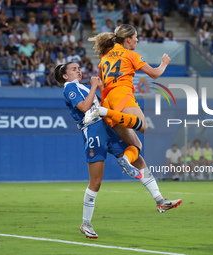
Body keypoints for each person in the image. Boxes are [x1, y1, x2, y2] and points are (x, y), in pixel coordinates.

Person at [53, 63, 182, 238]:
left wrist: (99, 88)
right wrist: (93, 87)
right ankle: (86, 224)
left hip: (105, 126)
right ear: (65, 76)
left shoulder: (81, 86)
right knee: (96, 182)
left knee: (138, 159)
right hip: (93, 131)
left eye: (78, 67)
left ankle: (160, 200)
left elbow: (95, 105)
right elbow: (84, 108)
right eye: (74, 69)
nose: (78, 70)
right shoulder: (69, 88)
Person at [87, 24, 171, 176]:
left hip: (108, 101)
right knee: (143, 126)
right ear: (127, 40)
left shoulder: (105, 56)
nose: (137, 40)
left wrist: (104, 100)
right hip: (122, 95)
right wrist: (164, 63)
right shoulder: (130, 55)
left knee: (136, 145)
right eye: (135, 37)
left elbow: (99, 81)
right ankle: (103, 111)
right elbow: (154, 74)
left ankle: (125, 159)